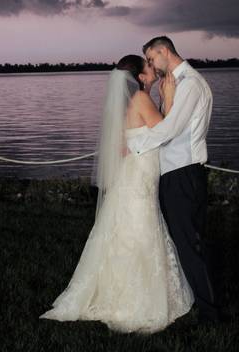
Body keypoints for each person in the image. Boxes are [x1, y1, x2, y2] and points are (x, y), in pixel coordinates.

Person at [40, 55, 193, 333]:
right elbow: (168, 133)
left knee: (126, 230)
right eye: (148, 67)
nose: (153, 68)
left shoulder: (132, 101)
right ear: (141, 77)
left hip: (134, 174)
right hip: (140, 178)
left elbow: (133, 140)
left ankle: (116, 292)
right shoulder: (141, 100)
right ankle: (136, 300)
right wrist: (169, 96)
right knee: (140, 229)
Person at [127, 36, 220, 323]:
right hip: (175, 173)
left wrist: (133, 143)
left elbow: (170, 130)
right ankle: (199, 304)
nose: (152, 65)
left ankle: (209, 314)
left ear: (164, 51)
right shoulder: (176, 83)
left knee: (189, 245)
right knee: (186, 244)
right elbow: (168, 124)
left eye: (152, 59)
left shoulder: (190, 84)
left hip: (183, 173)